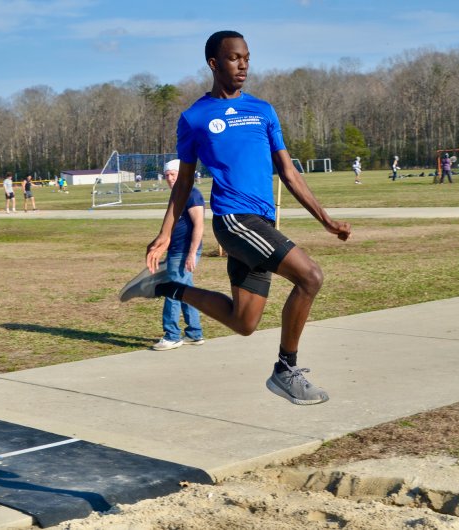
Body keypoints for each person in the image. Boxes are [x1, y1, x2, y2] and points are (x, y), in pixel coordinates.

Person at [119, 30, 351, 406]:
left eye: (246, 57)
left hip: (262, 223)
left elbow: (289, 174)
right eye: (233, 58)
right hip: (234, 221)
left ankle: (166, 287)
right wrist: (164, 234)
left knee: (244, 322)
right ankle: (285, 370)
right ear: (214, 63)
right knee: (310, 276)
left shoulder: (263, 111)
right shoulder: (194, 118)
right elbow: (184, 184)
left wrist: (326, 219)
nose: (243, 64)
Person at [151, 159, 206, 351]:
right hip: (175, 250)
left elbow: (199, 225)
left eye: (173, 174)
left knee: (172, 291)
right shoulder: (177, 195)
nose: (170, 179)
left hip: (184, 251)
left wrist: (192, 253)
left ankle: (172, 335)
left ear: (182, 174)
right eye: (167, 175)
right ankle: (194, 333)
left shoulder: (192, 194)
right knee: (185, 292)